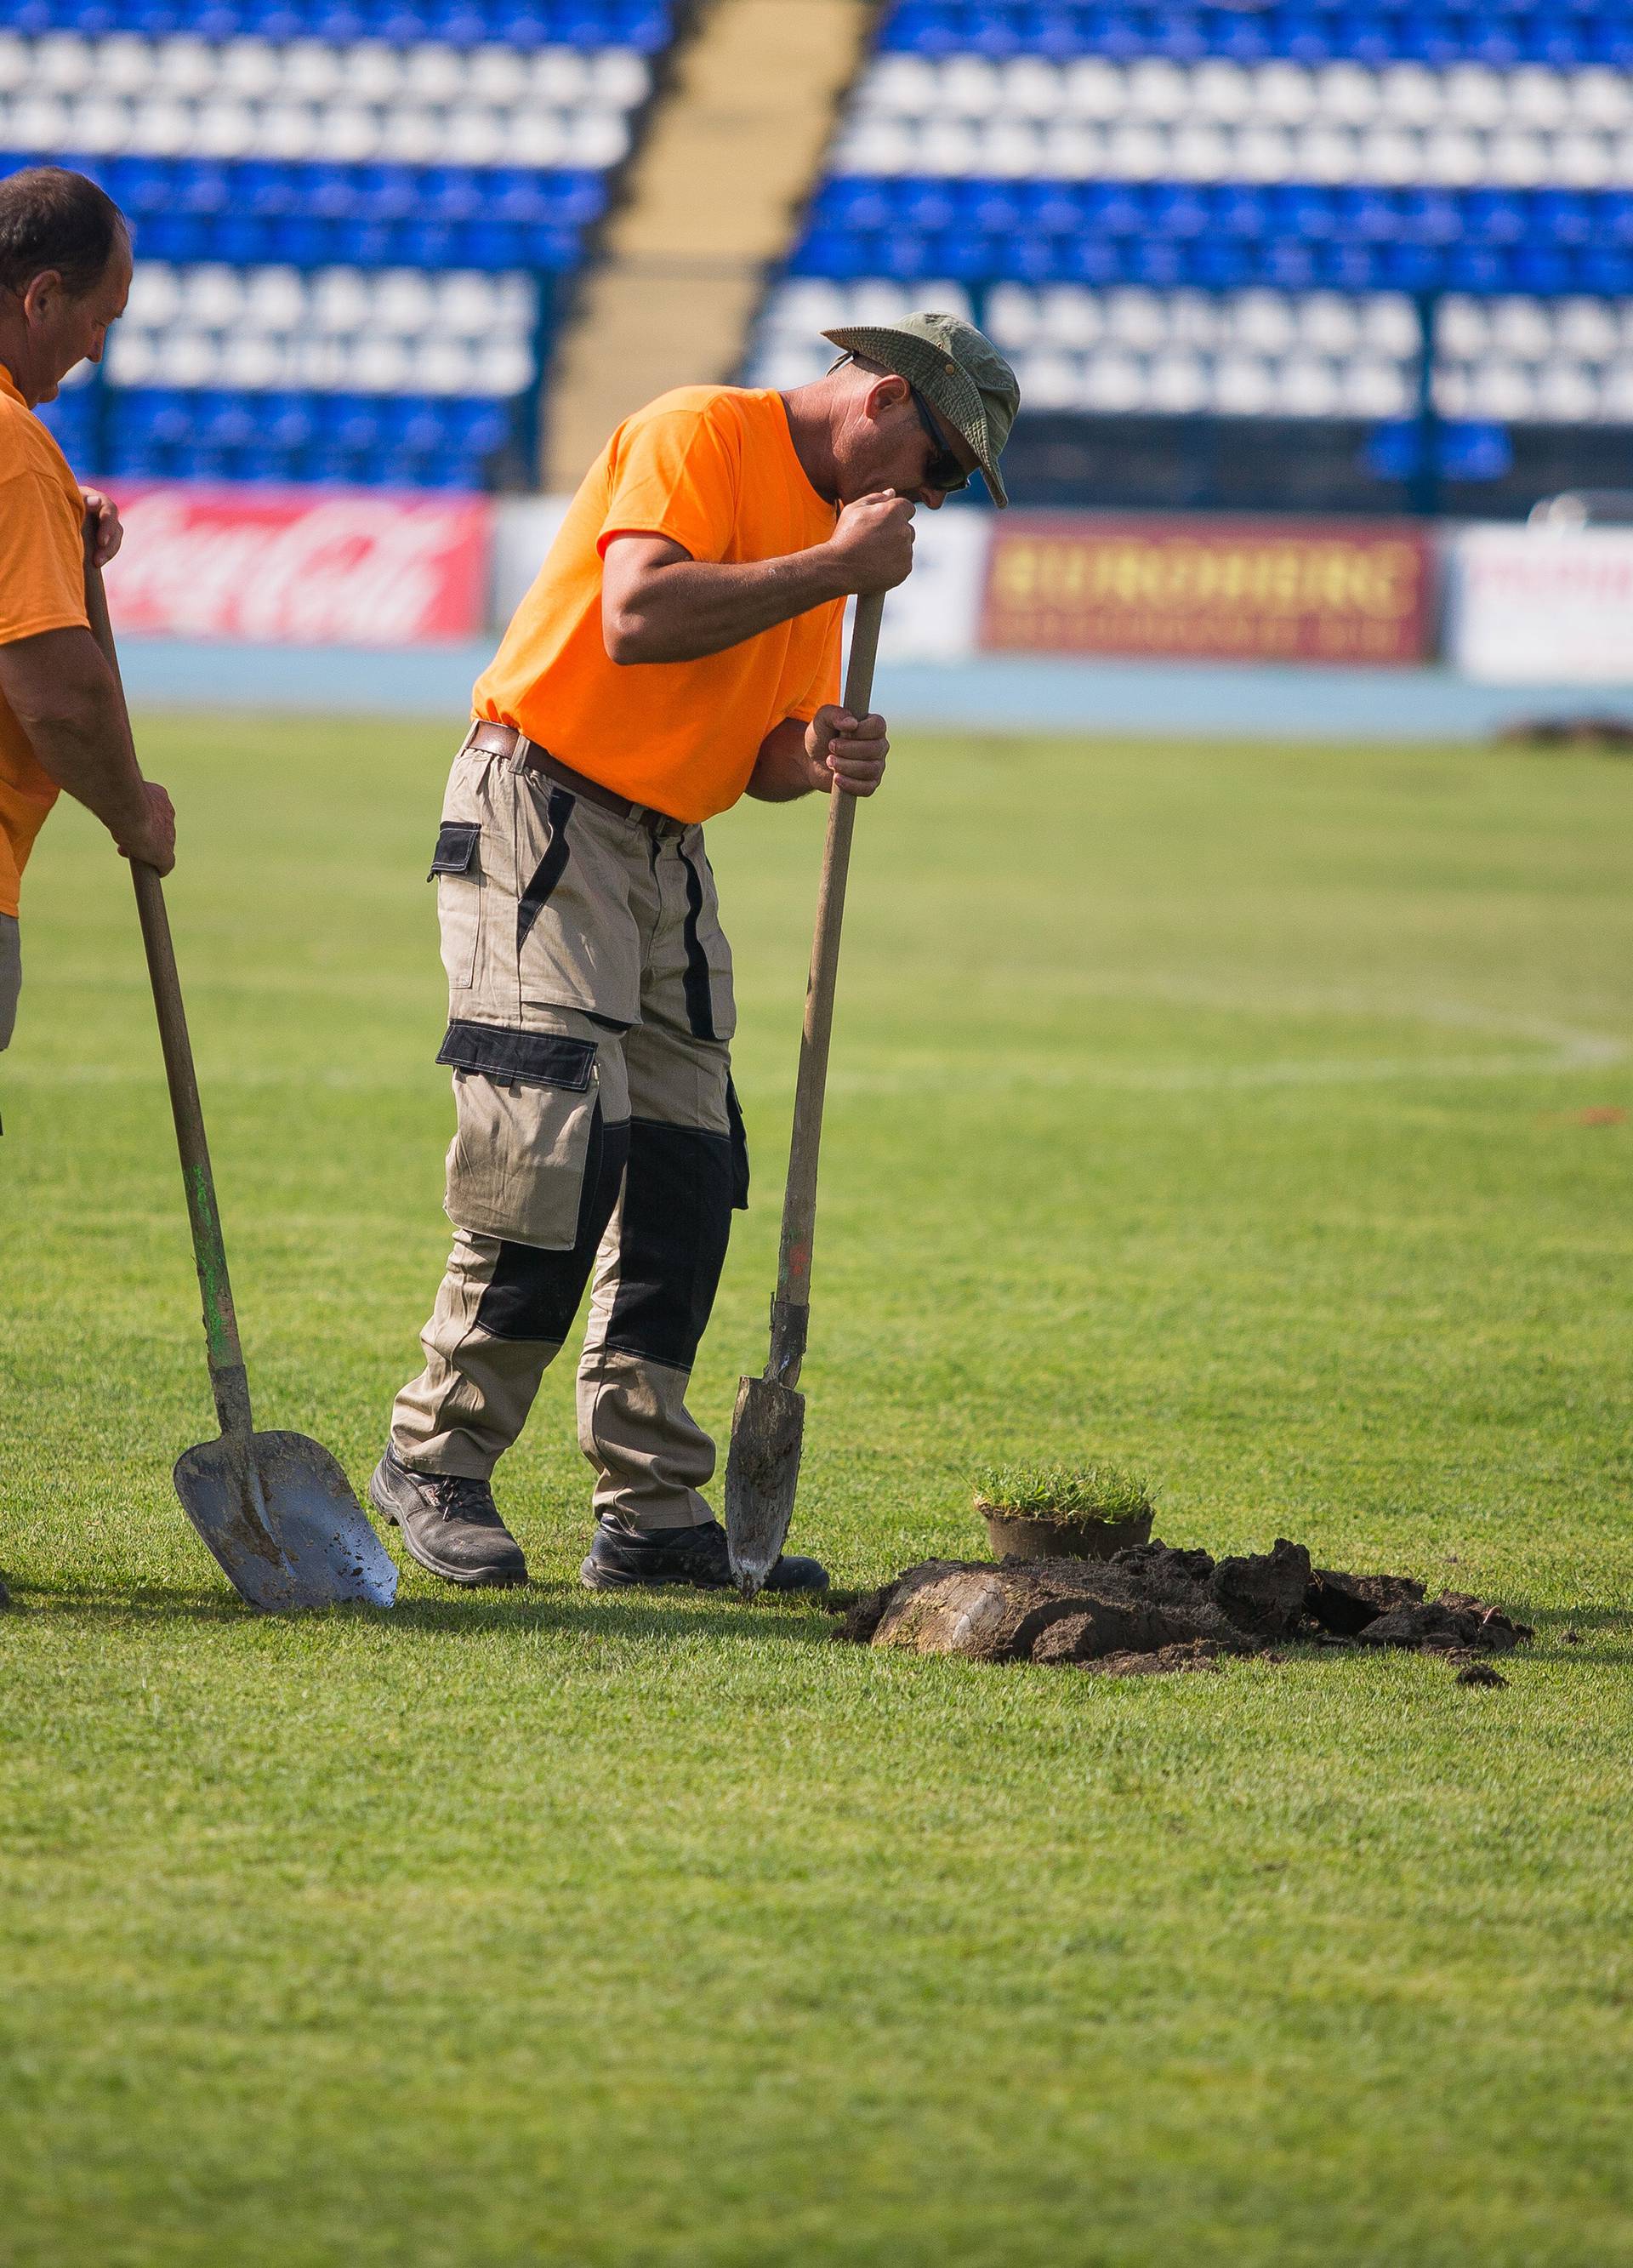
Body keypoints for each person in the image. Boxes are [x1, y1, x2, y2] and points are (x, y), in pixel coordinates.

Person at [371, 311, 1020, 1595]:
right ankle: (434, 1453)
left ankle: (650, 1503)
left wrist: (813, 755)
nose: (930, 500)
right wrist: (832, 568)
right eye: (939, 465)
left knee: (682, 1159)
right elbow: (638, 614)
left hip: (668, 849)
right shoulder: (700, 432)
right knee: (560, 1136)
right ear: (884, 397)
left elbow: (761, 740)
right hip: (542, 807)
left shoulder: (842, 534)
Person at [0, 165, 176, 1081]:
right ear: (41, 297)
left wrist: (53, 512)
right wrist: (132, 811)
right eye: (98, 317)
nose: (98, 350)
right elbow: (55, 693)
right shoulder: (11, 445)